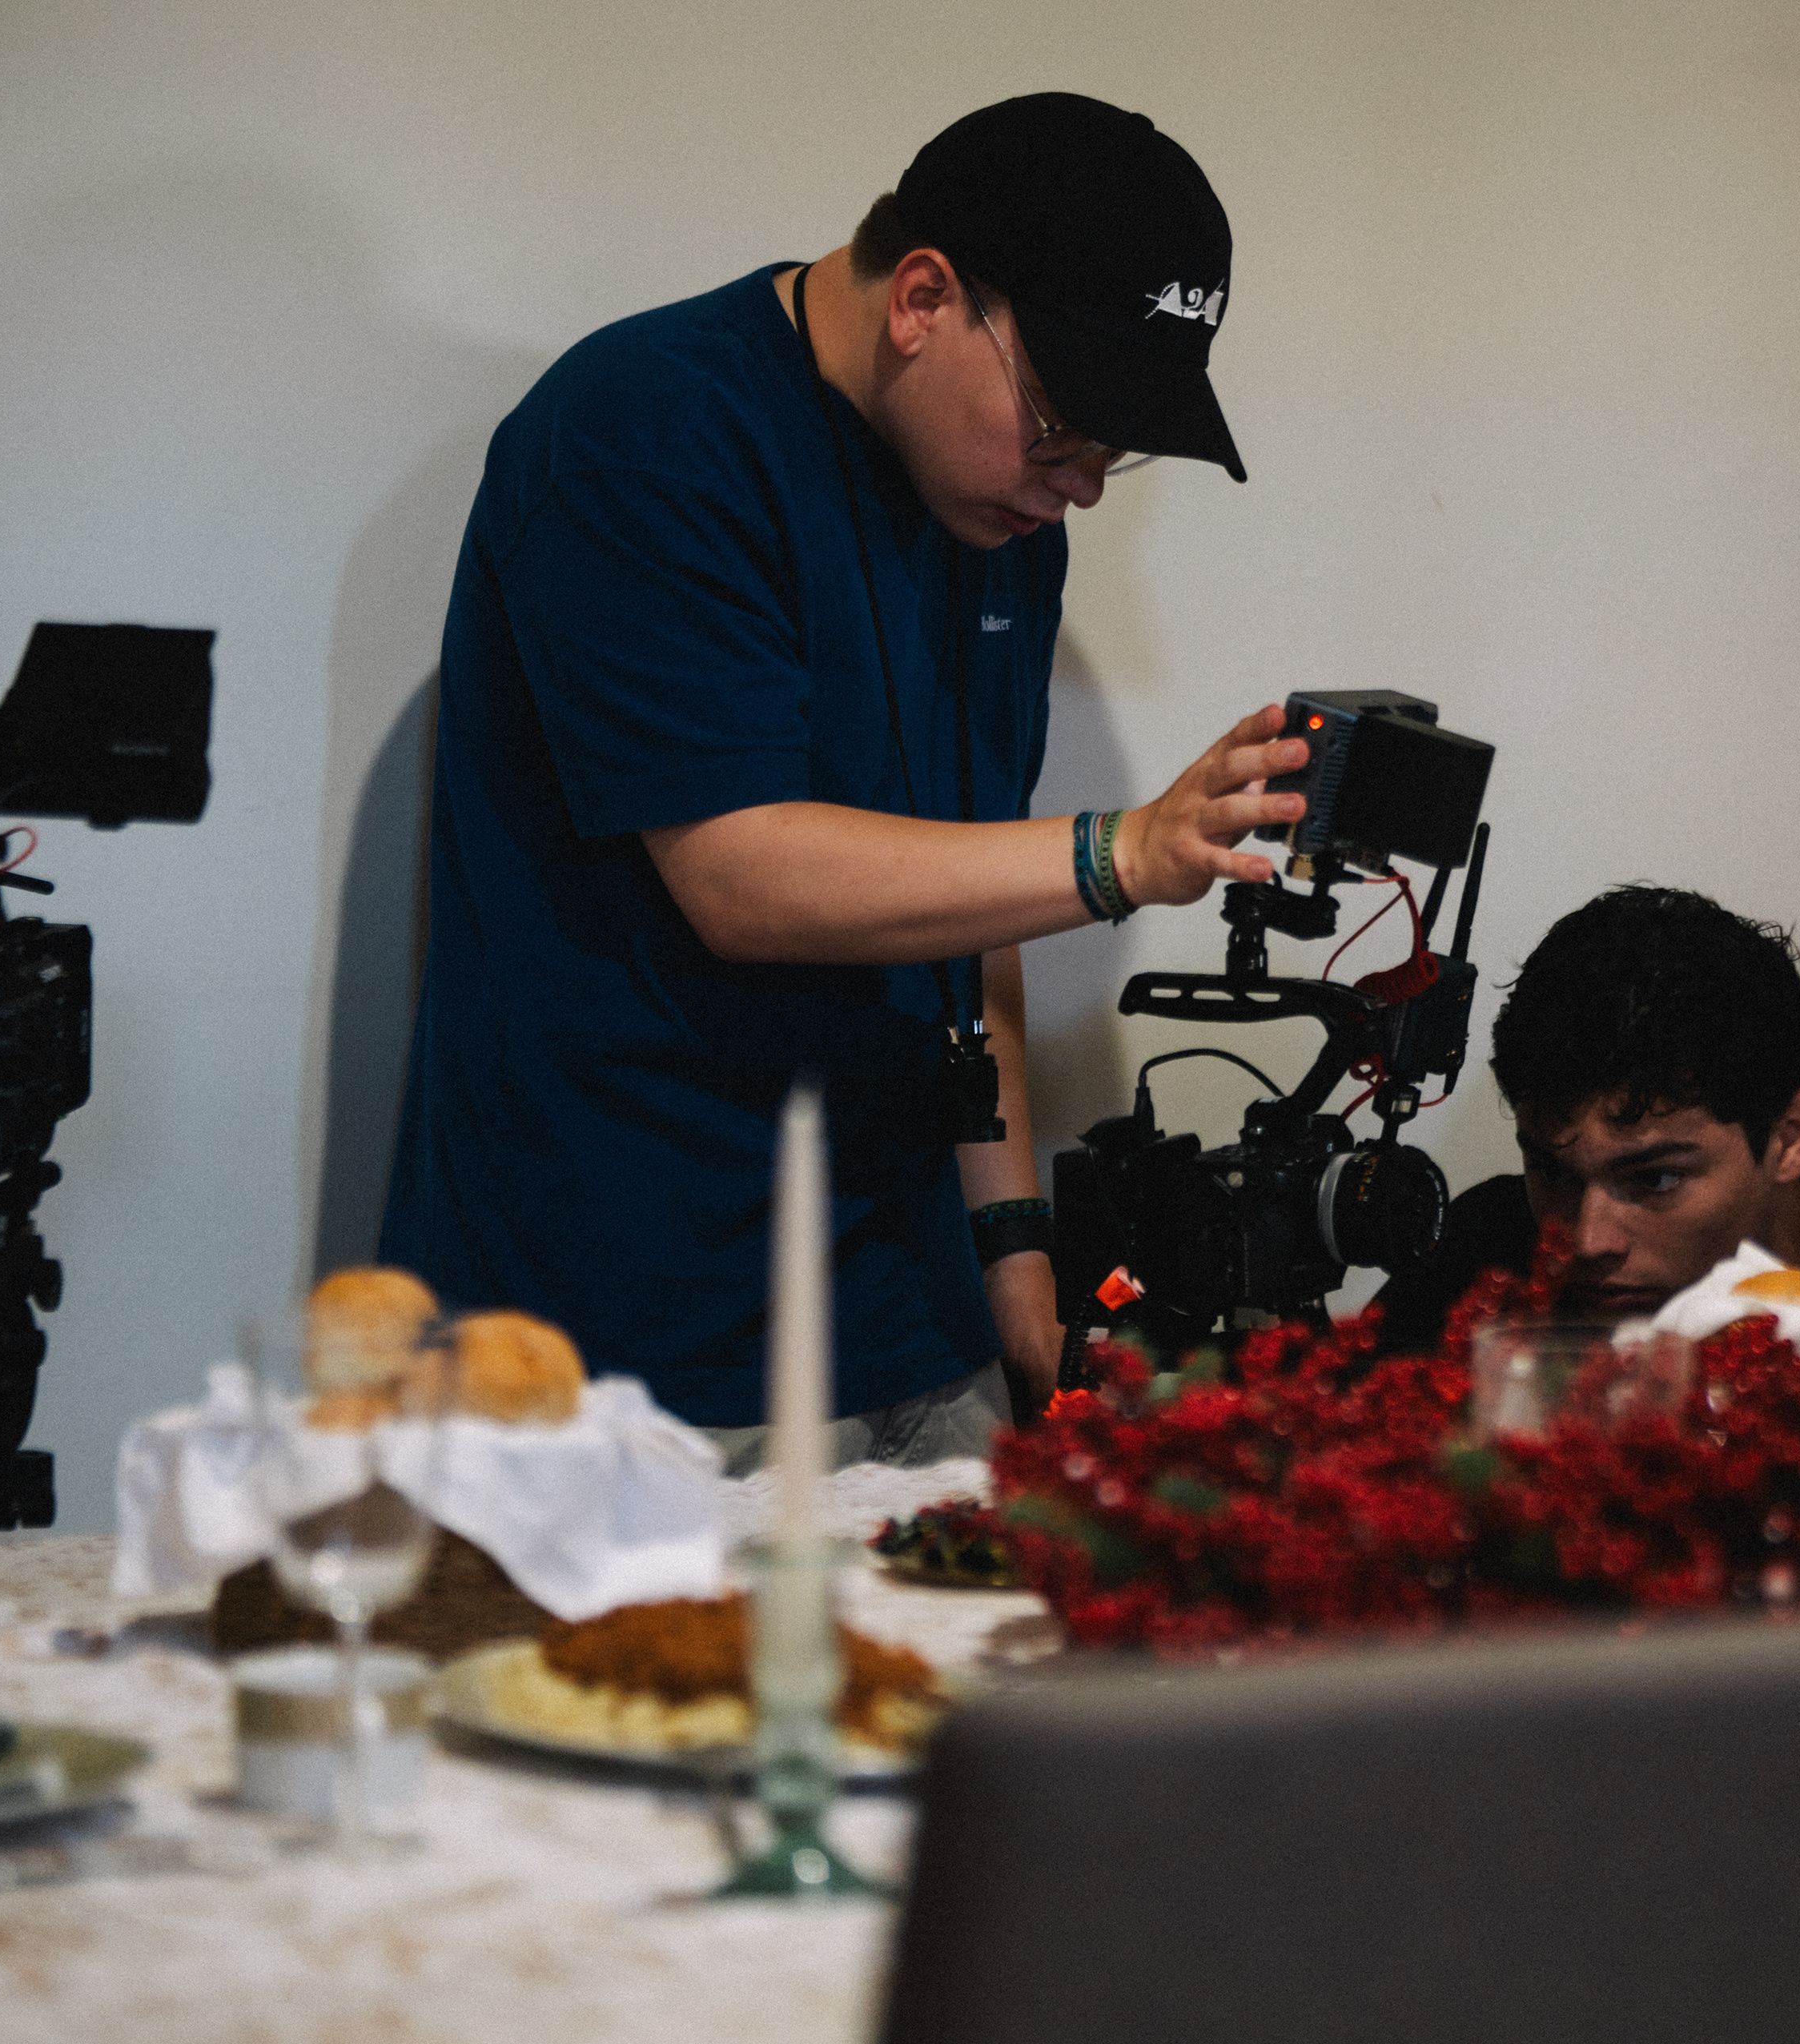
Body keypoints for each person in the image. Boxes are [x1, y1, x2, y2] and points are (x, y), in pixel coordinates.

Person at [380, 94, 1307, 1468]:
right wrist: (1118, 852)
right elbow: (743, 879)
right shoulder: (647, 430)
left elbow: (972, 903)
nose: (1081, 487)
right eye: (1063, 425)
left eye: (1114, 449)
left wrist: (1015, 1273)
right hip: (629, 1343)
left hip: (913, 1313)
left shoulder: (1000, 521)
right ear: (923, 299)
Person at [1370, 885, 1800, 1352]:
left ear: (1790, 1137)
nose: (1588, 1242)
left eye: (1655, 1179)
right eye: (1553, 1173)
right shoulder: (1482, 1256)